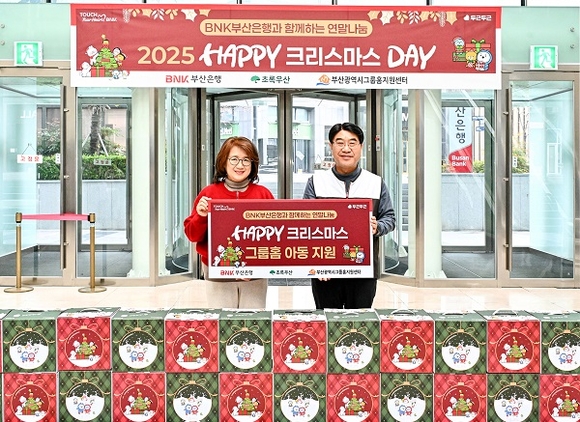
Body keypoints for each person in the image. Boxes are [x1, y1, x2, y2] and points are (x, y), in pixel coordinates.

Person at [303, 122, 396, 309]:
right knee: (328, 320)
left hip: (363, 269)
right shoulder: (316, 182)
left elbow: (390, 218)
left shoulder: (375, 182)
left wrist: (377, 227)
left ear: (361, 147)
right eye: (340, 143)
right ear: (331, 146)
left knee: (360, 322)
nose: (346, 149)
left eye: (352, 143)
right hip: (326, 270)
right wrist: (316, 263)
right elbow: (306, 223)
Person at [184, 136, 275, 309]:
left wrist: (256, 267)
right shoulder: (209, 193)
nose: (240, 165)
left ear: (253, 164)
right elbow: (192, 235)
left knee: (253, 321)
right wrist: (201, 216)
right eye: (234, 159)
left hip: (254, 275)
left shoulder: (263, 194)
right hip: (218, 275)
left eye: (246, 160)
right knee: (222, 321)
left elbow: (275, 235)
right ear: (223, 162)